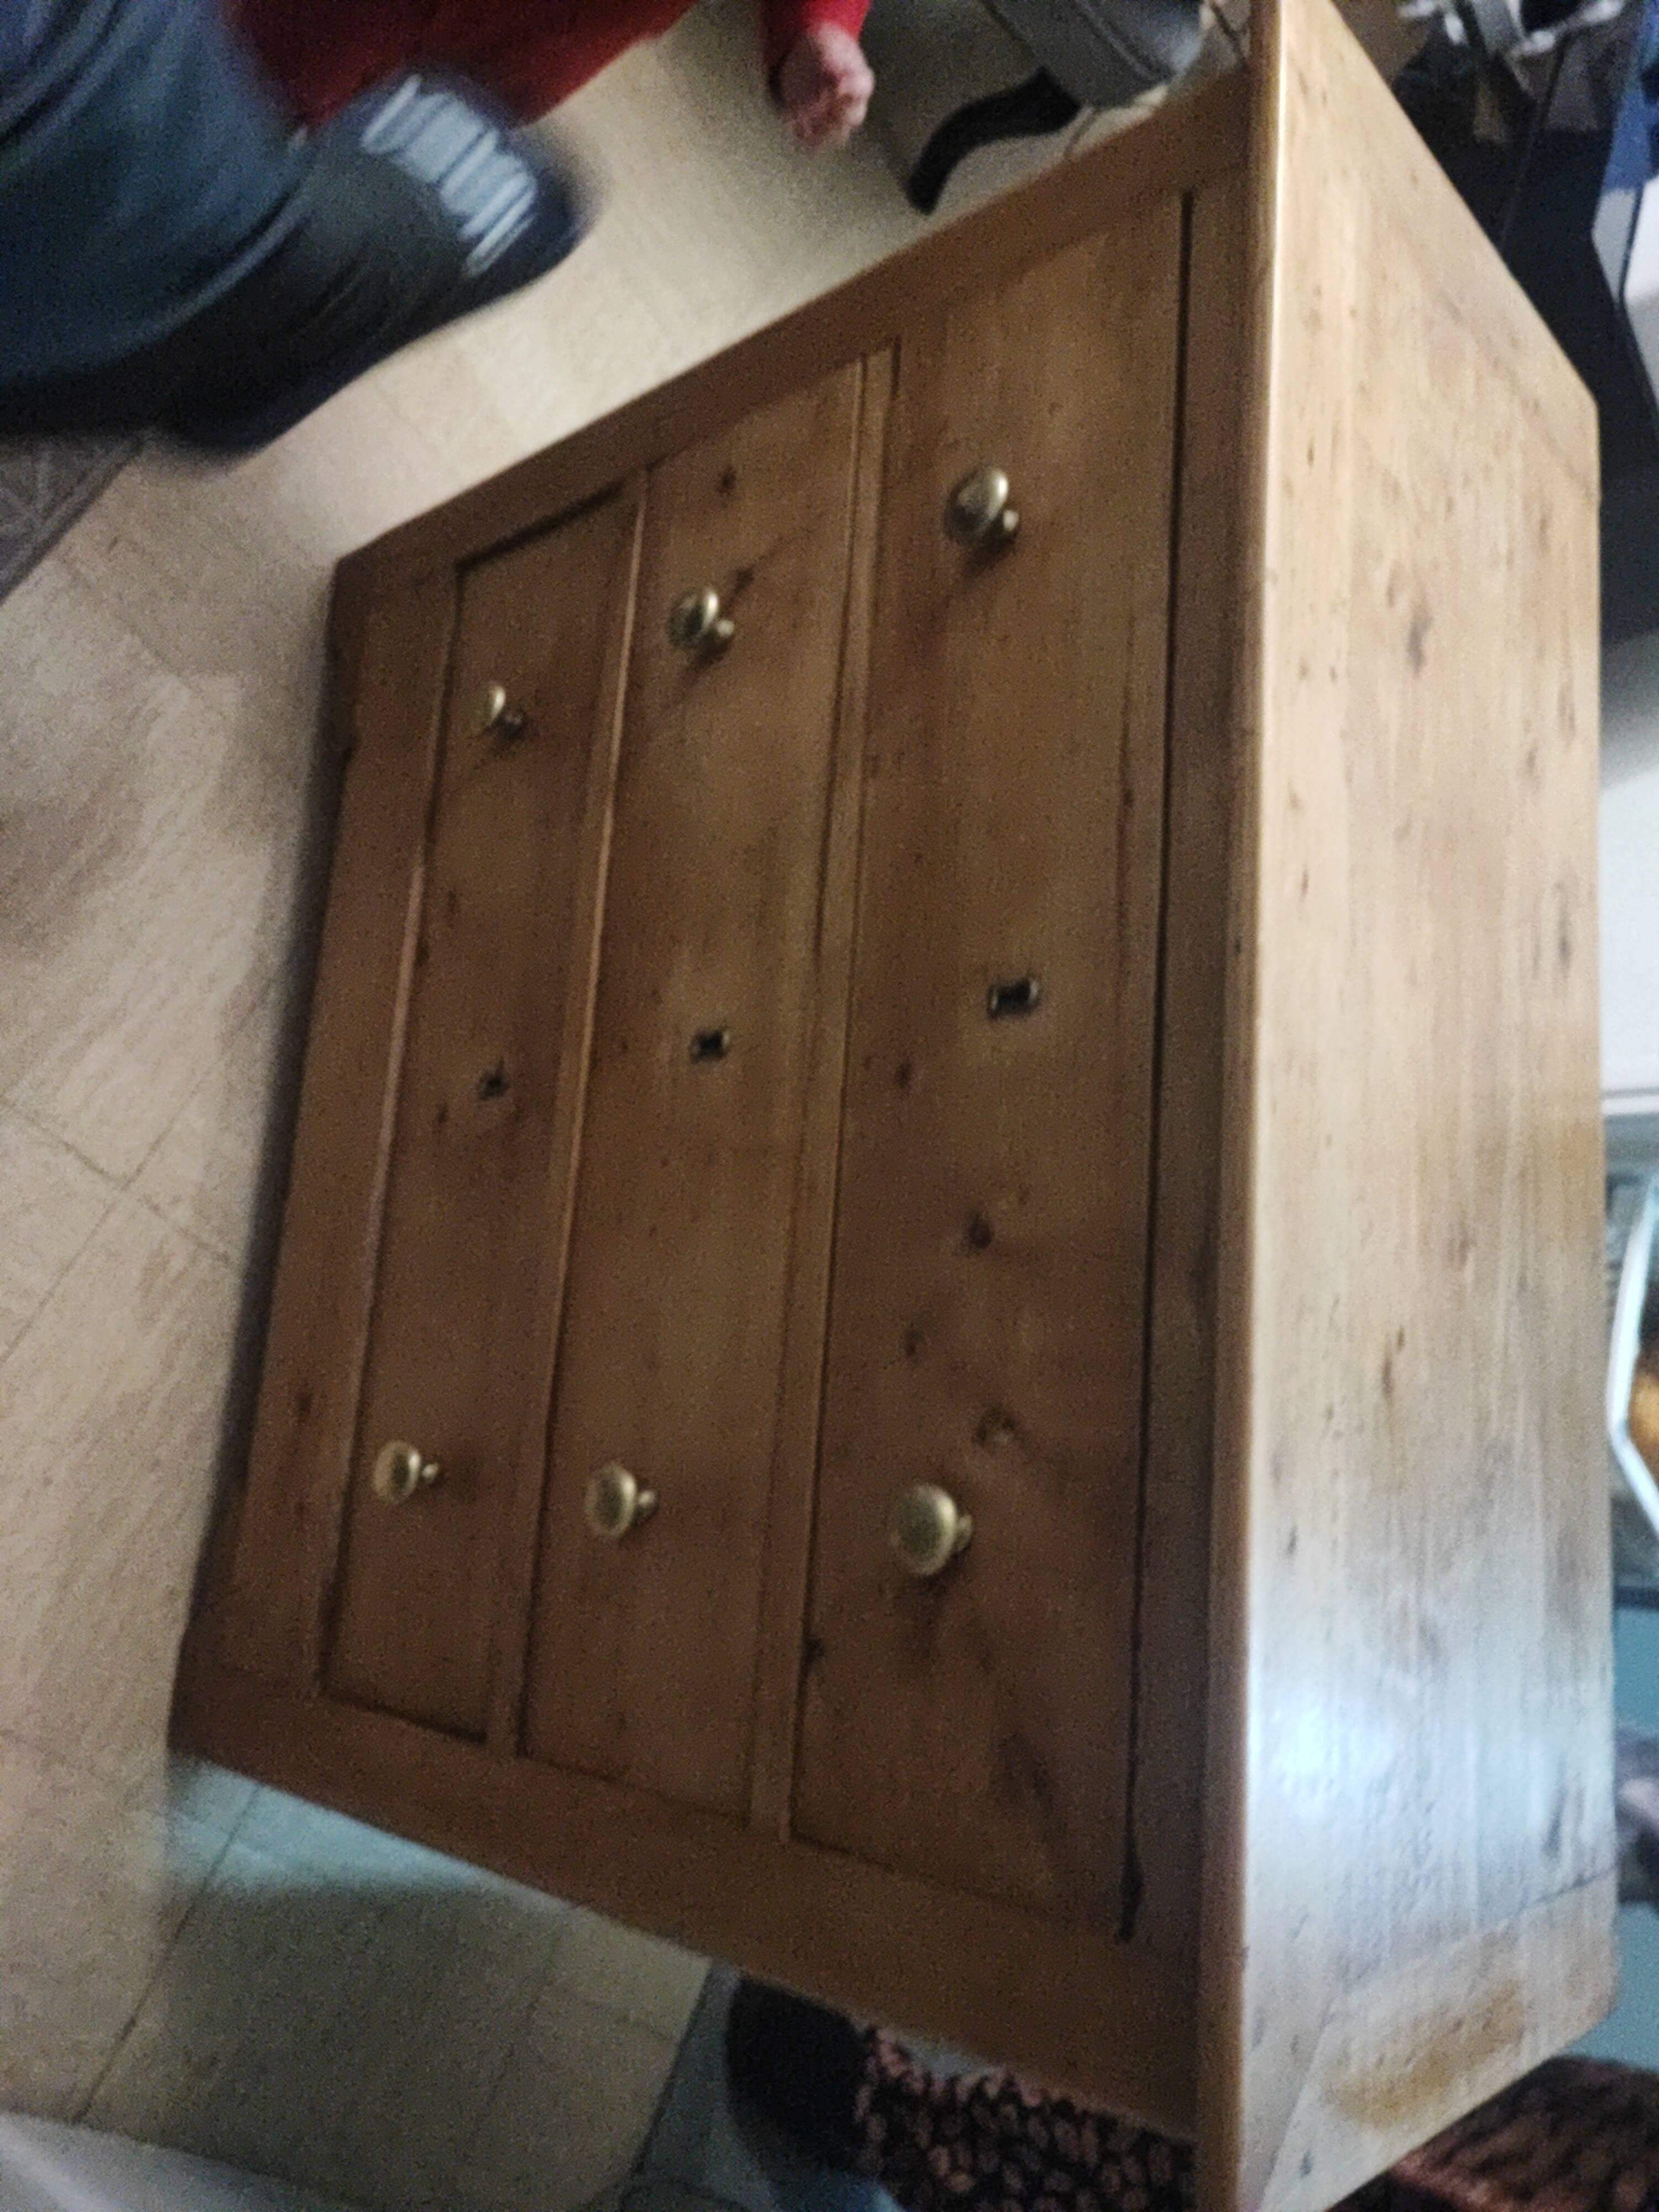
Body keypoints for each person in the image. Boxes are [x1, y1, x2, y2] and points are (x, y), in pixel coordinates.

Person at [0, 0, 871, 450]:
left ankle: (222, 209)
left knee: (315, 124)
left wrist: (816, 30)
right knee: (230, 70)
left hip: (511, 40)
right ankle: (210, 232)